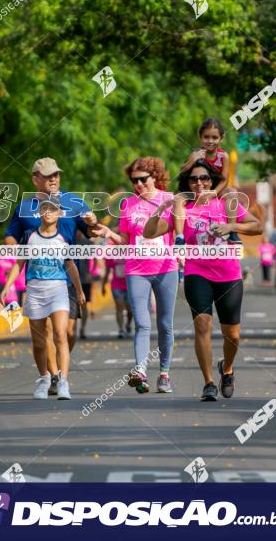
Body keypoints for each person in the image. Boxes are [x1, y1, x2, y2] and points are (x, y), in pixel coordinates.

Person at [143, 160, 262, 401]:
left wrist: (230, 226)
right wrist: (159, 208)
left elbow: (256, 226)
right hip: (197, 273)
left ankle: (226, 369)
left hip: (228, 274)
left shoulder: (225, 204)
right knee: (202, 325)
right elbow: (149, 232)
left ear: (213, 181)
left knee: (233, 334)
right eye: (193, 179)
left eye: (205, 178)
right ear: (187, 184)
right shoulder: (183, 210)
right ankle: (208, 382)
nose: (199, 183)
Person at [4, 157, 97, 395]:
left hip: (66, 275)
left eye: (56, 175)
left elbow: (91, 232)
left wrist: (93, 223)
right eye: (47, 176)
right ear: (35, 179)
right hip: (37, 278)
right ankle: (55, 376)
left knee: (67, 333)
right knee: (44, 332)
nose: (53, 179)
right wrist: (14, 247)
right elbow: (11, 234)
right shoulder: (24, 208)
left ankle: (58, 367)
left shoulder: (73, 202)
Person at [93, 157, 177, 393]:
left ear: (154, 176)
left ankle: (164, 374)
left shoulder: (168, 200)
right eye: (134, 180)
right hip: (136, 270)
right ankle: (140, 372)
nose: (138, 184)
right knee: (141, 324)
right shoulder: (128, 204)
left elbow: (179, 232)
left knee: (164, 324)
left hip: (165, 268)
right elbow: (126, 241)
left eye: (143, 179)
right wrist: (110, 232)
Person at [0, 197, 86, 400]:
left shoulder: (63, 238)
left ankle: (63, 382)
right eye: (44, 208)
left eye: (53, 209)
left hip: (58, 289)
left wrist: (80, 290)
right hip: (35, 290)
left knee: (60, 335)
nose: (48, 212)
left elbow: (70, 265)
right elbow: (19, 263)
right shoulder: (29, 236)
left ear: (59, 214)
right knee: (39, 342)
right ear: (39, 213)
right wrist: (7, 286)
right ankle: (45, 379)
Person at [173, 118, 242, 245]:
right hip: (196, 189)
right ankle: (179, 237)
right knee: (178, 199)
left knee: (232, 192)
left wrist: (213, 194)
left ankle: (232, 231)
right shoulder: (197, 153)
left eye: (214, 137)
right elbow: (182, 172)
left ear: (221, 138)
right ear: (200, 137)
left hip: (216, 189)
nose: (210, 141)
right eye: (206, 137)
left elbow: (225, 180)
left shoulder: (223, 156)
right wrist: (192, 160)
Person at [102, 252, 132, 339]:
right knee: (119, 307)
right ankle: (121, 329)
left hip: (129, 285)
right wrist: (103, 285)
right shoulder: (112, 255)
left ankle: (128, 324)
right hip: (116, 285)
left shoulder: (130, 253)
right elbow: (107, 271)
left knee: (130, 309)